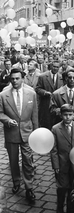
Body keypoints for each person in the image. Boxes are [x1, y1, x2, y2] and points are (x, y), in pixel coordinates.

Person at [0, 68, 38, 203]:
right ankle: (16, 182)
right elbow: (0, 113)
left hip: (27, 132)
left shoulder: (31, 94)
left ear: (22, 78)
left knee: (28, 161)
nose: (15, 81)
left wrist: (36, 133)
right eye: (12, 79)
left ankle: (29, 187)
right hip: (11, 133)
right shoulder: (3, 95)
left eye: (17, 78)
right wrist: (7, 120)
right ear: (10, 79)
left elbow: (34, 114)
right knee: (13, 161)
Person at [51, 104, 74, 213]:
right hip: (62, 164)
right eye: (65, 115)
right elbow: (54, 149)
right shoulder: (56, 128)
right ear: (61, 115)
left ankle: (70, 209)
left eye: (70, 115)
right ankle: (59, 208)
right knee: (61, 188)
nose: (68, 117)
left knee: (72, 188)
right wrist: (56, 165)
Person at [36, 60, 63, 129]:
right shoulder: (43, 76)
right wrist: (45, 92)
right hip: (45, 104)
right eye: (54, 66)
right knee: (45, 124)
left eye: (57, 67)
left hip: (57, 105)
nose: (55, 68)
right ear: (51, 66)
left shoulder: (61, 78)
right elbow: (38, 89)